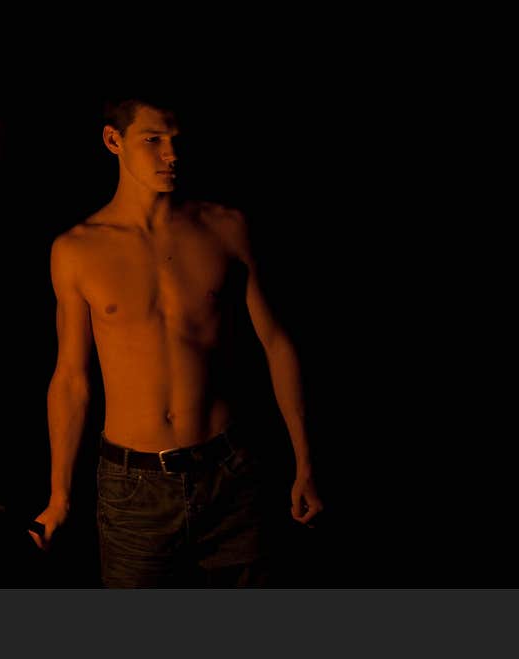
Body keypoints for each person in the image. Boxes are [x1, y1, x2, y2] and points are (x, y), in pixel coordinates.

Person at [29, 92, 322, 587]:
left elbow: (277, 344)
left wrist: (306, 462)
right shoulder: (77, 249)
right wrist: (59, 496)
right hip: (132, 488)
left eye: (176, 141)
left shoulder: (225, 227)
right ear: (112, 141)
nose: (172, 154)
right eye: (153, 140)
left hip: (230, 476)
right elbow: (72, 379)